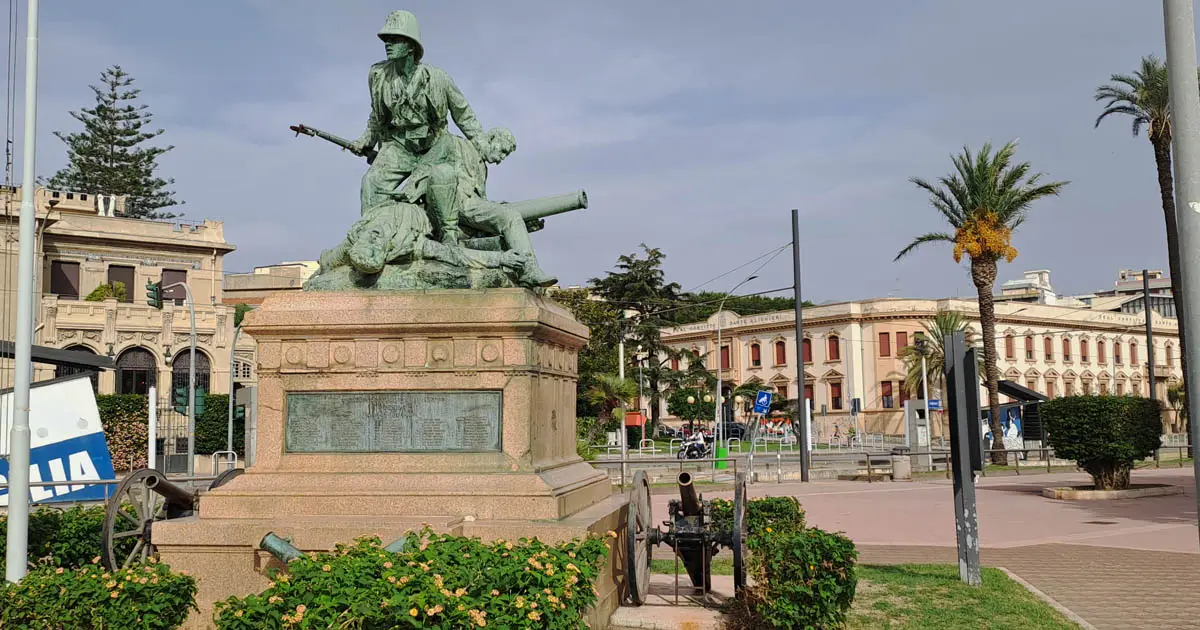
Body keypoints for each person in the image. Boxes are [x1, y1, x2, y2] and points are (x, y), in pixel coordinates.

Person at [348, 10, 487, 227]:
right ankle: (374, 235)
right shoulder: (377, 76)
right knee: (371, 183)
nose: (388, 44)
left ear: (411, 46)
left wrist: (482, 146)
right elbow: (377, 115)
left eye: (395, 39)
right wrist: (367, 138)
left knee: (441, 193)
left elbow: (464, 115)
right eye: (386, 39)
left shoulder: (439, 79)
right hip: (399, 147)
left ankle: (444, 233)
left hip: (435, 148)